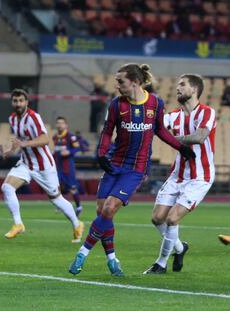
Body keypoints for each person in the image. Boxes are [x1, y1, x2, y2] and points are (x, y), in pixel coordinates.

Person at [68, 63, 196, 277]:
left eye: (121, 82)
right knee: (102, 213)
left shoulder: (155, 103)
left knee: (108, 209)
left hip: (136, 169)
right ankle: (112, 260)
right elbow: (107, 132)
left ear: (135, 82)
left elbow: (161, 131)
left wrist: (181, 148)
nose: (116, 85)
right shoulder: (117, 105)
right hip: (114, 163)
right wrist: (101, 153)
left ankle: (82, 253)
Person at [143, 74, 216, 274]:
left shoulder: (207, 112)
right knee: (157, 218)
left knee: (172, 219)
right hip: (177, 175)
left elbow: (200, 137)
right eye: (177, 85)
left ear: (194, 90)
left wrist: (173, 138)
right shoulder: (173, 115)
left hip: (200, 177)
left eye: (182, 85)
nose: (177, 88)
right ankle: (180, 247)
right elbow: (154, 126)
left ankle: (161, 264)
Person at [1, 88, 84, 242]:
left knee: (56, 199)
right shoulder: (12, 118)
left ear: (26, 102)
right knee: (7, 187)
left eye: (21, 101)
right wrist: (11, 150)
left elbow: (45, 139)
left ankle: (76, 224)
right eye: (15, 101)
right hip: (26, 163)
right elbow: (19, 139)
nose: (18, 104)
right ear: (12, 102)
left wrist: (25, 144)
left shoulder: (34, 117)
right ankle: (18, 224)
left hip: (43, 166)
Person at [52, 116, 83, 216]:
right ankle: (60, 205)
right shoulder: (55, 137)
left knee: (72, 188)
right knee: (56, 187)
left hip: (67, 167)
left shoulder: (71, 136)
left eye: (62, 123)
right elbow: (55, 151)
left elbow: (78, 148)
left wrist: (69, 151)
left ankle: (78, 207)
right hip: (57, 167)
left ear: (66, 125)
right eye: (58, 123)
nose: (59, 125)